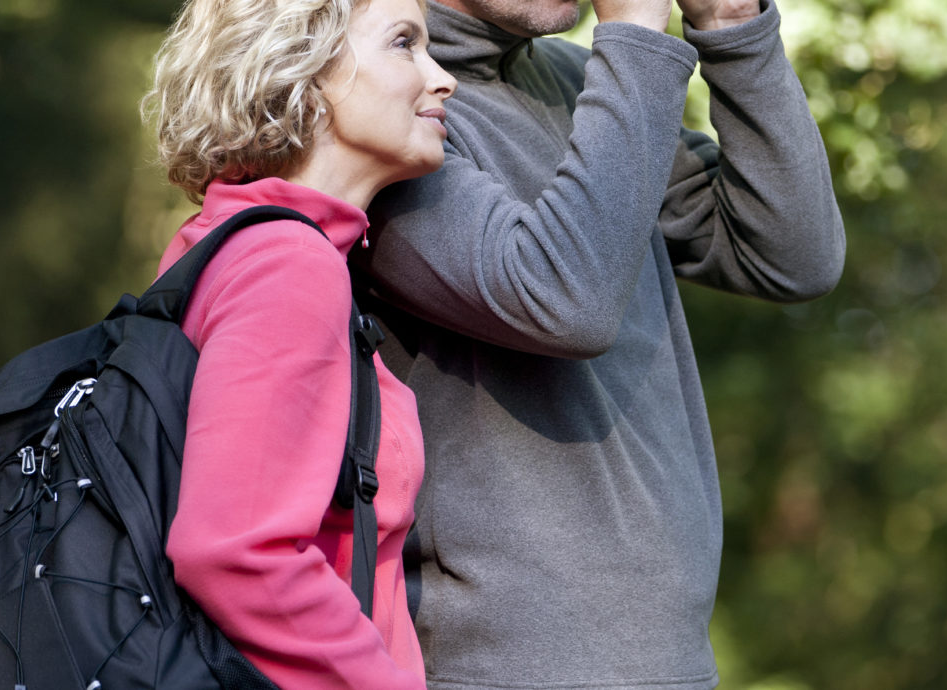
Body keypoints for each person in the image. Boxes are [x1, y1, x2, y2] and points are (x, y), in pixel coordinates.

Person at [358, 0, 844, 686]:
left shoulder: (574, 80)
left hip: (669, 662)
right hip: (492, 670)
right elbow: (563, 302)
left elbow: (790, 255)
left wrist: (733, 25)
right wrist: (636, 38)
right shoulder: (381, 111)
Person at [140, 0, 456, 686]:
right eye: (404, 43)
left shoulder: (216, 241)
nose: (442, 77)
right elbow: (234, 550)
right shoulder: (289, 266)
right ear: (305, 73)